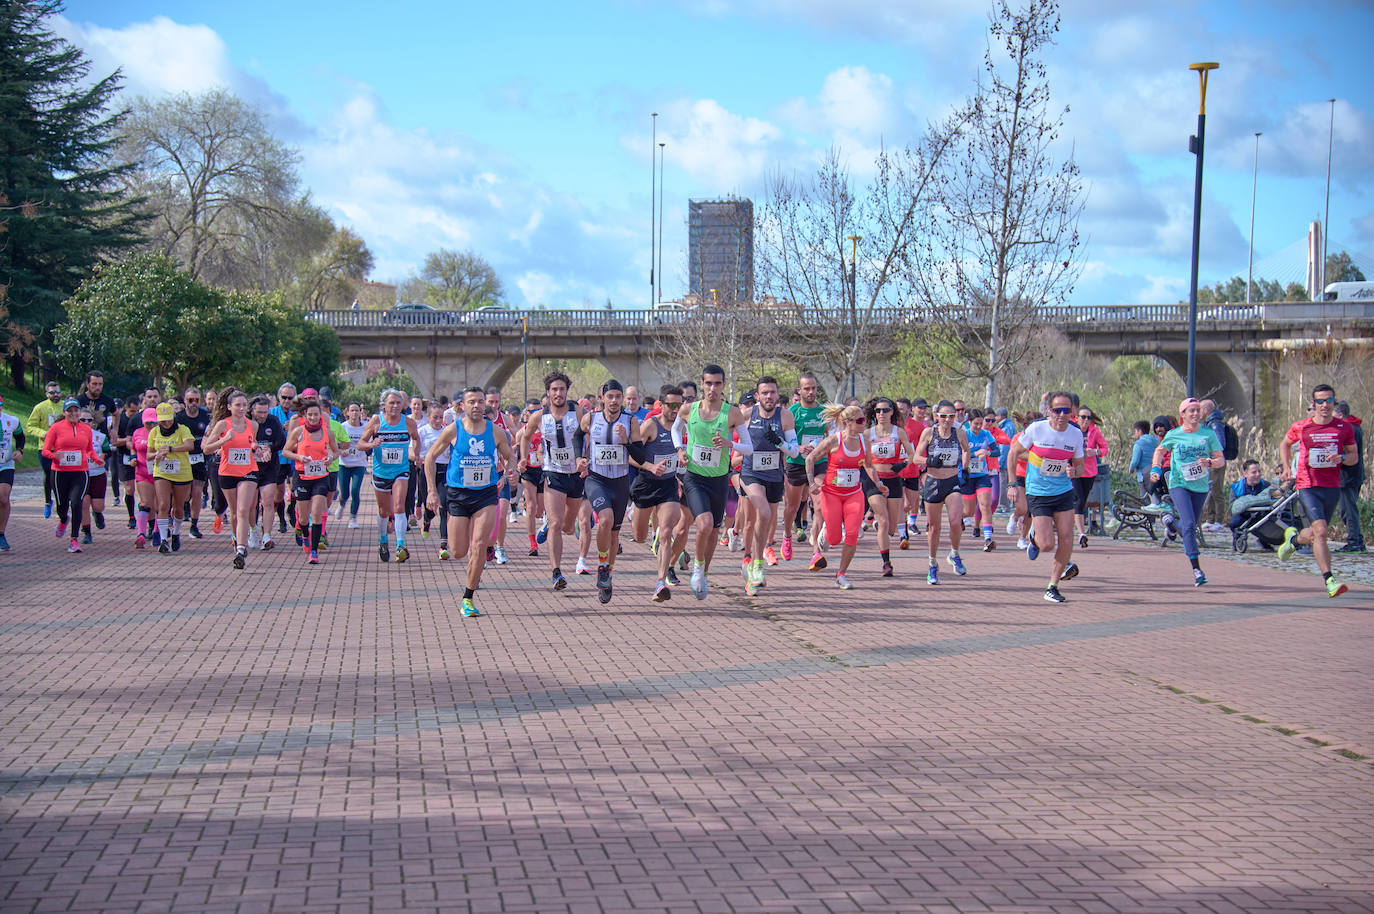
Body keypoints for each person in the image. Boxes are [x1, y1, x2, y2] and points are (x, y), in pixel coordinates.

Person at [424, 387, 515, 618]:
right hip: (458, 494)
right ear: (462, 406)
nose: (476, 405)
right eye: (471, 402)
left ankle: (468, 597)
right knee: (458, 550)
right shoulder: (453, 430)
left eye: (480, 401)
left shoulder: (495, 431)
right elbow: (430, 458)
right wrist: (432, 491)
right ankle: (469, 569)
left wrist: (508, 473)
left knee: (478, 546)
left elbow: (509, 456)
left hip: (486, 494)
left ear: (486, 405)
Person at [674, 364, 753, 599]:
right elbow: (675, 430)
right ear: (702, 384)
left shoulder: (732, 413)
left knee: (714, 531)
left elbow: (748, 448)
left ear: (723, 385)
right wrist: (679, 450)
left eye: (717, 383)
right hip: (695, 477)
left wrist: (731, 445)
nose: (712, 388)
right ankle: (697, 568)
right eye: (708, 383)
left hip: (719, 479)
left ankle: (704, 571)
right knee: (704, 525)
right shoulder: (689, 409)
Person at [1277, 384, 1358, 598]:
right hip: (1307, 484)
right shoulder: (1301, 427)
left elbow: (1354, 457)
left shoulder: (1344, 428)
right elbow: (1285, 444)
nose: (1324, 405)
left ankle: (1293, 540)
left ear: (1334, 402)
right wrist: (1286, 468)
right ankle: (1329, 580)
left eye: (1329, 401)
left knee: (1314, 534)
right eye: (1320, 401)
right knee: (1321, 531)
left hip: (1332, 486)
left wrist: (1341, 458)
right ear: (1313, 404)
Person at [1007, 392, 1085, 603]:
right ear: (1049, 410)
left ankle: (1052, 586)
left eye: (1066, 410)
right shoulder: (1037, 429)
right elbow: (1013, 453)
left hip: (1063, 491)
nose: (1061, 414)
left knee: (1067, 537)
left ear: (1072, 412)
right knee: (1047, 545)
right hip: (1038, 492)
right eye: (1057, 410)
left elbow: (1080, 466)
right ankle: (1033, 538)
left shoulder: (1075, 434)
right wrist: (1012, 484)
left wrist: (1073, 472)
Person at [1150, 398, 1225, 587]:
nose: (1195, 414)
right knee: (1191, 525)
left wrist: (1209, 463)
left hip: (1199, 486)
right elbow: (1159, 451)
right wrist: (1156, 468)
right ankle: (1197, 570)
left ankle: (1171, 524)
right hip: (1179, 483)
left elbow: (1221, 460)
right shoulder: (1174, 434)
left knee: (1189, 525)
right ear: (1182, 414)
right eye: (1191, 411)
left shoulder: (1208, 434)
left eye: (1197, 410)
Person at [522, 371, 585, 591]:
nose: (558, 393)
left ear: (567, 391)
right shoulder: (539, 417)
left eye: (562, 389)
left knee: (568, 527)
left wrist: (585, 460)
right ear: (548, 393)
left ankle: (552, 524)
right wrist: (522, 459)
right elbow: (526, 436)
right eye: (554, 390)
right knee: (557, 524)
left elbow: (591, 437)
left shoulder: (578, 412)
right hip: (552, 473)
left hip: (576, 476)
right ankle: (556, 572)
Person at [802, 403, 876, 589]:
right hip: (832, 494)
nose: (863, 423)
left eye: (864, 419)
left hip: (854, 494)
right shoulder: (834, 441)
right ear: (847, 422)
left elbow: (869, 465)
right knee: (834, 539)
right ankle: (825, 532)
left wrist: (879, 483)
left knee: (851, 534)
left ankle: (841, 574)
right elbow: (810, 459)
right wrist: (811, 483)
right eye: (860, 420)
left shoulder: (863, 441)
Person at [579, 379, 639, 603]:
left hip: (620, 482)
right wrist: (580, 458)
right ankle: (603, 565)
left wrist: (627, 442)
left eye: (618, 396)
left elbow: (641, 455)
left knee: (614, 534)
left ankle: (607, 573)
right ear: (602, 398)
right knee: (605, 520)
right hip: (596, 479)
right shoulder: (591, 418)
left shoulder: (631, 422)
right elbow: (577, 436)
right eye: (610, 396)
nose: (614, 401)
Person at [738, 376, 799, 594]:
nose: (769, 396)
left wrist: (780, 443)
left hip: (774, 476)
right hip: (750, 473)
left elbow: (794, 450)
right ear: (757, 396)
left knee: (768, 519)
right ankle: (756, 566)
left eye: (772, 392)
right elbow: (727, 436)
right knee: (762, 513)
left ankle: (754, 563)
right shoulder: (746, 415)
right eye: (764, 393)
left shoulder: (785, 416)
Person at [630, 384, 686, 602]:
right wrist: (650, 467)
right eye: (670, 405)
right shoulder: (650, 426)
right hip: (646, 485)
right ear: (661, 405)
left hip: (668, 486)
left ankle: (660, 583)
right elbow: (631, 456)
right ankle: (643, 531)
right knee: (639, 536)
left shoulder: (683, 427)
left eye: (679, 405)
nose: (675, 409)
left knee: (666, 533)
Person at [358, 388, 419, 563]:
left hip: (401, 470)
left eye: (398, 403)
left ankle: (400, 546)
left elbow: (416, 439)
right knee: (384, 511)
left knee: (399, 507)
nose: (394, 406)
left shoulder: (408, 423)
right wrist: (372, 444)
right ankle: (383, 541)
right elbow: (360, 444)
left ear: (403, 405)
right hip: (381, 471)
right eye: (391, 403)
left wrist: (415, 452)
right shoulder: (377, 421)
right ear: (384, 405)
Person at [912, 400, 970, 584]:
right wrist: (928, 461)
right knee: (934, 527)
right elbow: (915, 458)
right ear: (937, 416)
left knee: (955, 521)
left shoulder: (959, 432)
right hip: (933, 482)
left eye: (951, 417)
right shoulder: (929, 433)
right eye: (943, 416)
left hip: (952, 481)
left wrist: (965, 467)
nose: (947, 420)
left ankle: (954, 553)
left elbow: (966, 450)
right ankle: (932, 563)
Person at [201, 389, 259, 569]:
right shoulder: (222, 425)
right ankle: (237, 541)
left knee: (243, 510)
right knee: (234, 513)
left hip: (248, 471)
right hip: (227, 472)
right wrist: (223, 440)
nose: (242, 408)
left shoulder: (253, 425)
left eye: (244, 405)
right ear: (229, 407)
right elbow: (207, 449)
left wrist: (258, 449)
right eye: (238, 405)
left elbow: (252, 446)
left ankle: (241, 551)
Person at [861, 397, 916, 576]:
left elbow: (911, 454)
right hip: (874, 480)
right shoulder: (868, 434)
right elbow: (862, 459)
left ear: (892, 412)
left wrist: (903, 464)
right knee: (883, 520)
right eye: (878, 411)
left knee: (891, 527)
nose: (881, 414)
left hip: (893, 479)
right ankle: (886, 563)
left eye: (885, 410)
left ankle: (882, 528)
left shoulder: (899, 432)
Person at [41, 397, 103, 553]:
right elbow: (45, 451)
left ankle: (74, 540)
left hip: (80, 472)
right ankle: (63, 519)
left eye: (76, 410)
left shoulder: (86, 429)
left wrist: (96, 459)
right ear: (64, 412)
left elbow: (89, 450)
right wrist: (55, 455)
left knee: (77, 503)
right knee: (62, 505)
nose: (74, 413)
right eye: (70, 411)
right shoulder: (56, 428)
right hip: (60, 472)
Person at [282, 398, 338, 565]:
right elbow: (285, 451)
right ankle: (305, 534)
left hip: (321, 477)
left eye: (316, 415)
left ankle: (314, 551)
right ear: (304, 415)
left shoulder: (328, 432)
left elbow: (336, 451)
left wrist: (330, 458)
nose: (313, 418)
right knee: (304, 519)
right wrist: (298, 457)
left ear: (321, 415)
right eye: (310, 415)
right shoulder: (298, 432)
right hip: (302, 477)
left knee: (317, 514)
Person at [783, 373, 827, 566]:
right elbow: (783, 439)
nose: (811, 392)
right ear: (799, 391)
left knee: (819, 505)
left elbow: (829, 435)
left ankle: (816, 551)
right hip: (797, 463)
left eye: (814, 388)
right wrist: (798, 447)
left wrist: (820, 443)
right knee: (792, 507)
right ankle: (786, 536)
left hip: (818, 462)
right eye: (806, 389)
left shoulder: (824, 412)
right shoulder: (791, 412)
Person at [146, 402, 194, 554]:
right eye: (162, 420)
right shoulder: (154, 432)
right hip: (162, 472)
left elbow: (189, 446)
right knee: (162, 505)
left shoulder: (182, 430)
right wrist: (156, 454)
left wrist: (172, 449)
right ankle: (163, 540)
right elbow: (148, 455)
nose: (166, 423)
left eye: (168, 419)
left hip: (181, 472)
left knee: (179, 507)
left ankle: (176, 533)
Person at [247, 396, 286, 551]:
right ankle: (253, 530)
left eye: (265, 412)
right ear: (252, 411)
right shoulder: (247, 423)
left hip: (269, 467)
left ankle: (267, 536)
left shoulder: (273, 421)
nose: (262, 416)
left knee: (268, 500)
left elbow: (281, 441)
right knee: (251, 504)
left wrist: (270, 449)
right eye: (259, 412)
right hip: (250, 467)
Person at [415, 402, 452, 556]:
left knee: (444, 506)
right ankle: (426, 520)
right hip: (427, 470)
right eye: (435, 417)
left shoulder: (448, 432)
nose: (438, 421)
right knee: (430, 507)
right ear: (428, 417)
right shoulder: (422, 432)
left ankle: (443, 545)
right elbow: (413, 451)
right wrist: (418, 458)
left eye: (440, 418)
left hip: (444, 470)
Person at [175, 386, 212, 539]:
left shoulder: (206, 416)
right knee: (182, 495)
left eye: (196, 400)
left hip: (199, 458)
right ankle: (178, 515)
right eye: (190, 400)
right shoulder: (178, 418)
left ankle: (194, 525)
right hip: (182, 459)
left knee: (197, 492)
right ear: (185, 401)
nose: (193, 403)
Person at [962, 408, 1000, 552]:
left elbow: (997, 451)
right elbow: (958, 454)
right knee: (969, 511)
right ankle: (960, 517)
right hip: (967, 475)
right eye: (975, 424)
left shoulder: (986, 434)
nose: (978, 427)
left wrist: (988, 452)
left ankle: (988, 539)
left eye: (980, 423)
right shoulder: (964, 434)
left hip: (982, 475)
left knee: (985, 504)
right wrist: (973, 454)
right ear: (969, 423)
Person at [26, 380, 64, 518]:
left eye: (58, 392)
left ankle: (62, 502)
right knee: (49, 474)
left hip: (63, 447)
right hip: (45, 447)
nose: (56, 395)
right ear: (47, 394)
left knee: (61, 475)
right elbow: (30, 426)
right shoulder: (40, 407)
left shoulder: (65, 407)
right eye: (52, 392)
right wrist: (43, 434)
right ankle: (48, 501)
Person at [1333, 401, 1365, 553]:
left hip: (1348, 475)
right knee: (1346, 510)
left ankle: (1355, 542)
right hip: (1351, 475)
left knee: (1348, 510)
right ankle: (1356, 540)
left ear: (1340, 415)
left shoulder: (1349, 429)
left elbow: (1349, 452)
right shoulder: (1353, 427)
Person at [1074, 407, 1108, 547]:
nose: (1086, 420)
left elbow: (1105, 449)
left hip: (1089, 471)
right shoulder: (1072, 430)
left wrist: (1094, 452)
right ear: (1077, 417)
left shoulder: (1095, 432)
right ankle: (1081, 533)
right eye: (1083, 417)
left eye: (1088, 417)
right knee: (1078, 500)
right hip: (1074, 469)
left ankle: (1079, 529)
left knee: (1083, 501)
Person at [77, 408, 111, 544]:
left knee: (98, 506)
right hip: (81, 474)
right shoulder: (73, 435)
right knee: (84, 503)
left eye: (89, 420)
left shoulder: (100, 437)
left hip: (97, 474)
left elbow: (108, 452)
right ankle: (87, 532)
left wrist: (102, 456)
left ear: (93, 422)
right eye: (82, 420)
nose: (86, 422)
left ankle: (97, 513)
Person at [1227, 460, 1282, 536]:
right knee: (1234, 522)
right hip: (1243, 515)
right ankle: (1238, 538)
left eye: (1259, 471)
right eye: (1254, 472)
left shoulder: (1266, 485)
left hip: (1261, 515)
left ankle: (1264, 540)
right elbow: (1231, 508)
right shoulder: (1236, 488)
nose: (1258, 474)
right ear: (1245, 474)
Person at [0, 393, 25, 552]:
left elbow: (20, 437)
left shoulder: (11, 421)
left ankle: (1, 533)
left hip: (5, 464)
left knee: (3, 499)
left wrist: (19, 451)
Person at [337, 402, 368, 529]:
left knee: (355, 491)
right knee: (345, 493)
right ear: (347, 413)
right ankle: (341, 504)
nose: (355, 413)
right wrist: (340, 451)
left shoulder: (365, 427)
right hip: (344, 464)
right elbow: (335, 444)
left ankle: (353, 518)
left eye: (357, 410)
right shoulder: (342, 427)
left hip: (359, 463)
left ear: (360, 413)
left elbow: (369, 442)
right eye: (352, 410)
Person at [1200, 398, 1230, 528]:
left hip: (1216, 461)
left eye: (1200, 409)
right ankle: (1210, 519)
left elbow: (1219, 443)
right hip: (1209, 461)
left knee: (1217, 489)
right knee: (1210, 490)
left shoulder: (1215, 424)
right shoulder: (1209, 423)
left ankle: (1219, 521)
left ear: (1206, 410)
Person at [1128, 420, 1158, 499]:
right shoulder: (1156, 441)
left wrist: (1131, 469)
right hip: (1157, 474)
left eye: (1135, 431)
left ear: (1139, 431)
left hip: (1143, 476)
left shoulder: (1139, 444)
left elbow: (1135, 461)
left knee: (1145, 500)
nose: (1135, 433)